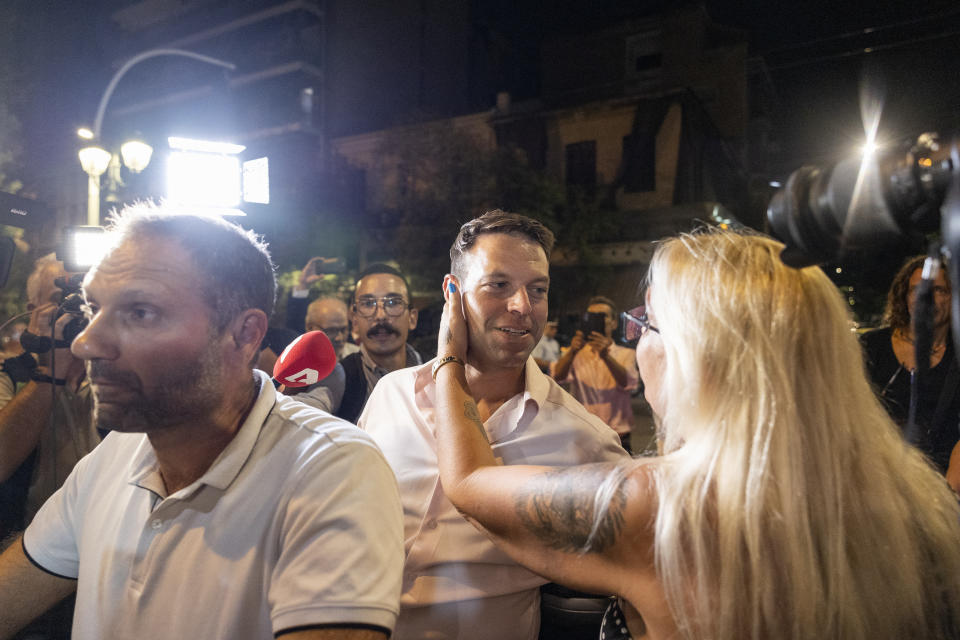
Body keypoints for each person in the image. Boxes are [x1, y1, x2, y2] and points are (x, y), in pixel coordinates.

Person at [431, 229, 960, 640]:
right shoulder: (917, 503)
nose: (639, 343)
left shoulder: (661, 507)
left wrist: (448, 359)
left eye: (650, 325)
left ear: (701, 358)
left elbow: (470, 482)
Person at [0, 206, 403, 640]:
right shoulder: (110, 458)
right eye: (93, 307)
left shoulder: (333, 468)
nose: (85, 342)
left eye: (141, 312)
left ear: (245, 334)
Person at [359, 210, 628, 640]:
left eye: (537, 290)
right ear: (453, 294)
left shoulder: (584, 440)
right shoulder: (392, 395)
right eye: (498, 285)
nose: (522, 306)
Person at [0, 255, 99, 534]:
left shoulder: (122, 372)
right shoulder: (9, 372)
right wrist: (48, 374)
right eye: (64, 299)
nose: (80, 311)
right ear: (33, 311)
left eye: (88, 297)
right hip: (28, 541)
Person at [861, 255, 960, 483]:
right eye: (917, 289)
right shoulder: (871, 347)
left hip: (943, 483)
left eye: (938, 290)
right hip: (877, 479)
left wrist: (949, 495)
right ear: (905, 298)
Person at [336, 264, 421, 424]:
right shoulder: (339, 380)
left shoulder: (439, 375)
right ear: (354, 320)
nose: (380, 316)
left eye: (393, 302)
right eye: (368, 304)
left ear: (412, 318)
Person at [552, 296, 639, 451]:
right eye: (591, 317)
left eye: (602, 316)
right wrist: (572, 351)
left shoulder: (627, 353)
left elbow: (627, 383)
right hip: (584, 431)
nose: (596, 320)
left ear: (614, 323)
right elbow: (557, 377)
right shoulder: (576, 353)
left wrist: (606, 356)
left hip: (618, 433)